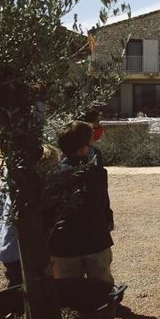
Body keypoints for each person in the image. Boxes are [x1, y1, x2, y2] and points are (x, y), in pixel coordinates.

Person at [50, 121, 115, 282]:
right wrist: (108, 220)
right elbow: (103, 202)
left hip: (62, 243)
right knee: (102, 283)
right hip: (95, 238)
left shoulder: (51, 176)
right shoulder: (96, 174)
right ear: (82, 149)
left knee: (67, 286)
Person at [0, 145, 60, 287]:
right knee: (28, 282)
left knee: (16, 279)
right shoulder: (27, 187)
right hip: (19, 245)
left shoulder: (11, 177)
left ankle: (18, 305)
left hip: (5, 242)